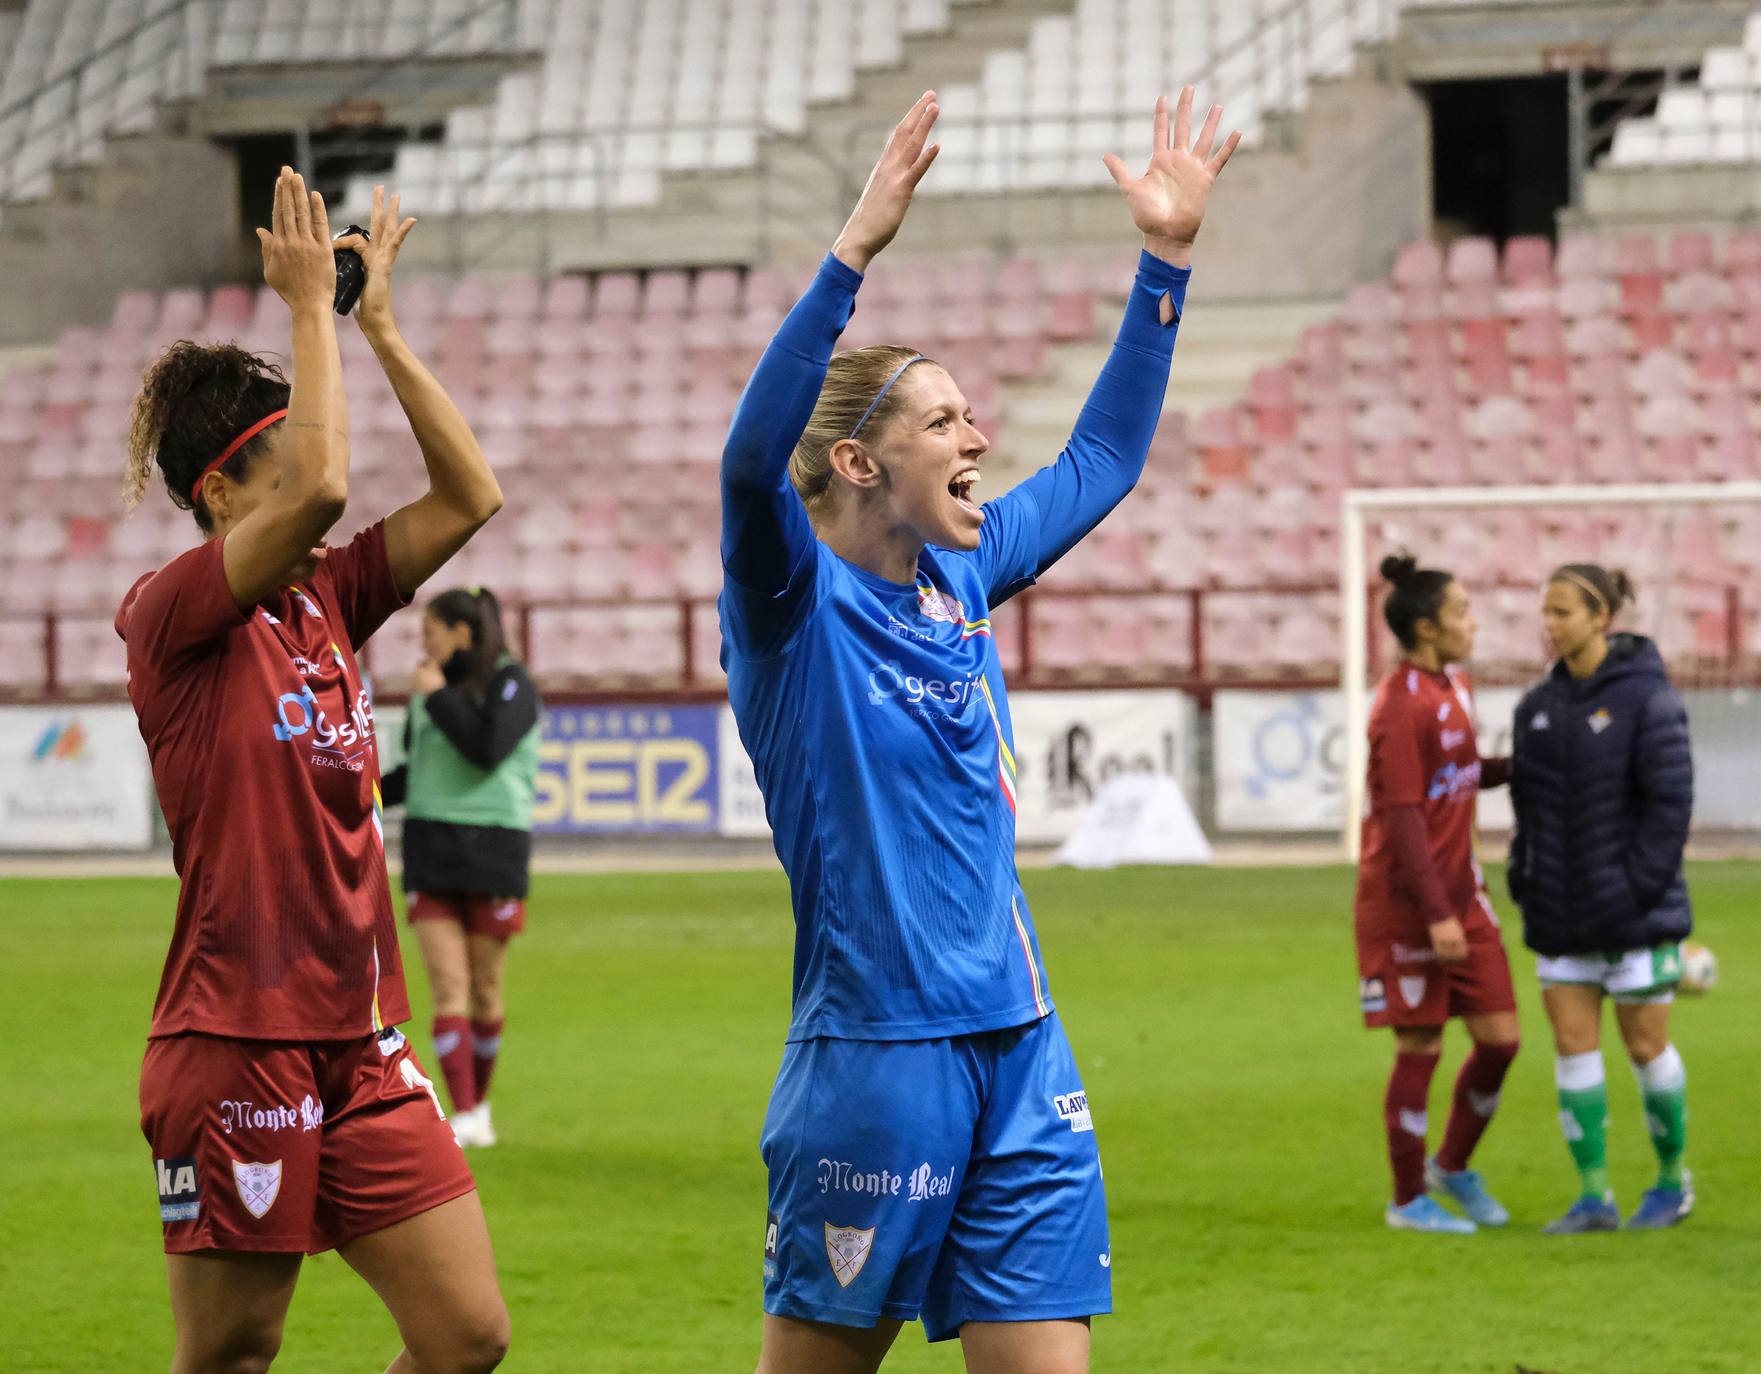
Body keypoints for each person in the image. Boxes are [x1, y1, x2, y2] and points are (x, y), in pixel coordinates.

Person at [721, 89, 1237, 1373]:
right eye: (945, 422)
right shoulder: (791, 603)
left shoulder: (960, 575)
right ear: (854, 463)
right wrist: (851, 257)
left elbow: (1103, 460)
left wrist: (1163, 261)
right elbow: (744, 465)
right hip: (875, 1057)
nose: (980, 439)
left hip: (1023, 1046)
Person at [117, 172, 510, 1372]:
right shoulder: (173, 615)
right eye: (279, 457)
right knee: (236, 1352)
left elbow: (470, 495)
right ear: (222, 494)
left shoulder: (328, 594)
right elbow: (334, 483)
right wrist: (304, 308)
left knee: (466, 1338)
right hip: (236, 1035)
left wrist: (376, 326)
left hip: (360, 1035)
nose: (317, 473)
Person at [1509, 565, 1695, 1233]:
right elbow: (1525, 810)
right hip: (1558, 913)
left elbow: (1669, 808)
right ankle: (1593, 1196)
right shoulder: (1534, 707)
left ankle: (1672, 1182)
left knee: (1645, 1049)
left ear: (1599, 617)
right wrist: (1521, 877)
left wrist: (1635, 891)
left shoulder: (1649, 700)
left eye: (1562, 611)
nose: (1550, 624)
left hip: (1635, 918)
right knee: (1570, 1044)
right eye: (1546, 611)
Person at [1353, 555, 1522, 1235]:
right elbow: (1399, 816)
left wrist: (1523, 766)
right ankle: (1405, 1200)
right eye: (1459, 611)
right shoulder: (1397, 706)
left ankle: (1450, 1164)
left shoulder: (1456, 686)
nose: (1470, 622)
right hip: (1407, 904)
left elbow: (1457, 772)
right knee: (1419, 1045)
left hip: (1464, 894)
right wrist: (1434, 914)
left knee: (1501, 1041)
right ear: (1425, 627)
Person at [380, 586, 541, 1149]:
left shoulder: (512, 681)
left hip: (494, 853)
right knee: (449, 989)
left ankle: (480, 1105)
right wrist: (355, 792)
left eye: (430, 632)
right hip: (429, 850)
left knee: (486, 993)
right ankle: (466, 1111)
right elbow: (412, 772)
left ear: (462, 633)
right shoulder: (428, 693)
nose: (422, 646)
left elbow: (486, 747)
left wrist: (438, 697)